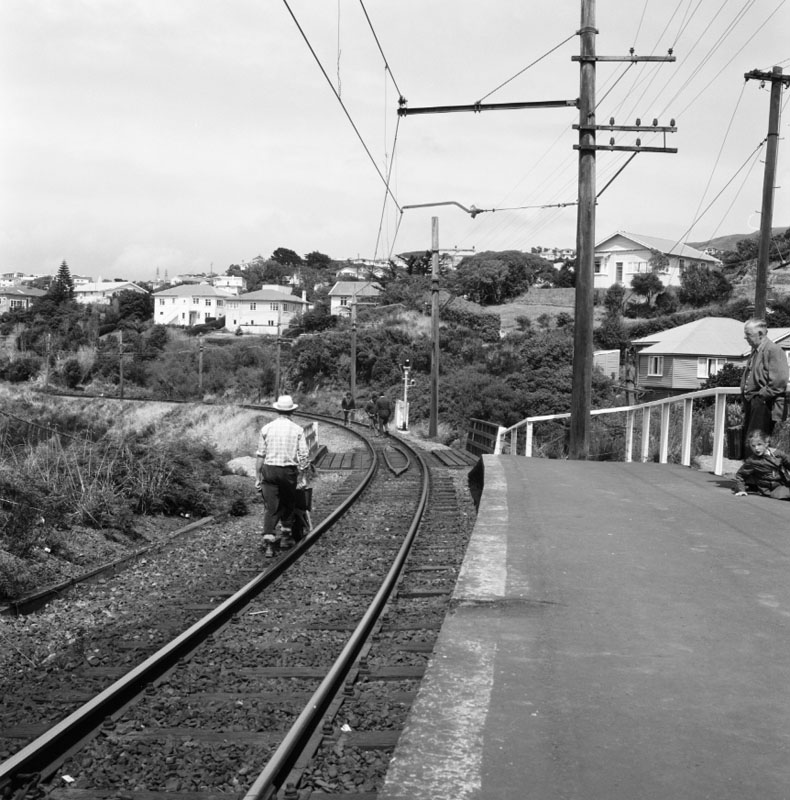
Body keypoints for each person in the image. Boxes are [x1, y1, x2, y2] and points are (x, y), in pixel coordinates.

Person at [255, 395, 311, 557]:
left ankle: (269, 545)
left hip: (269, 470)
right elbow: (304, 456)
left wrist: (257, 477)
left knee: (271, 507)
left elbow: (260, 455)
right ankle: (286, 537)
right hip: (288, 472)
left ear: (277, 410)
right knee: (288, 503)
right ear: (292, 411)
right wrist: (302, 476)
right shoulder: (297, 429)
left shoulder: (266, 429)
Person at [741, 318, 788, 447]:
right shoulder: (756, 351)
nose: (745, 337)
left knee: (757, 446)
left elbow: (779, 381)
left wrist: (760, 396)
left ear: (760, 334)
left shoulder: (773, 350)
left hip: (765, 404)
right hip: (755, 403)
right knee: (751, 444)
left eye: (748, 334)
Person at [733, 430, 790, 500]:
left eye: (759, 444)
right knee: (783, 493)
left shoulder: (778, 454)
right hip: (770, 488)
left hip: (783, 483)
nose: (756, 448)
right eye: (753, 446)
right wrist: (741, 490)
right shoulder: (752, 461)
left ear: (766, 444)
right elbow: (740, 475)